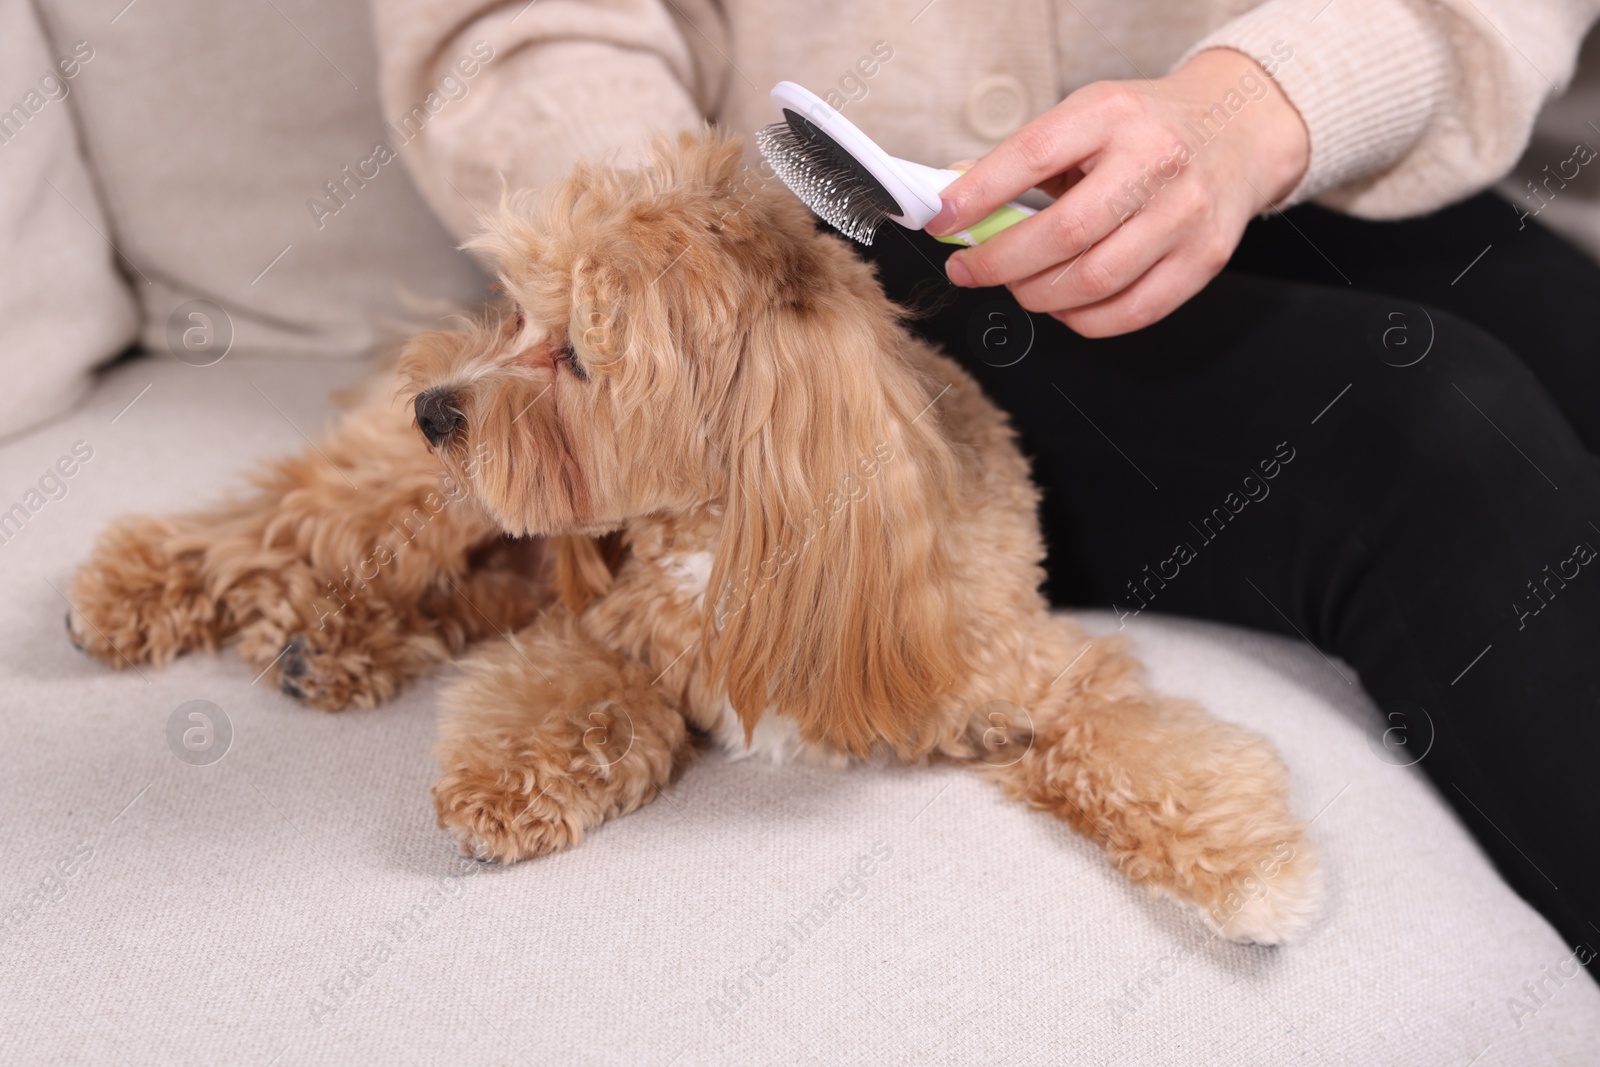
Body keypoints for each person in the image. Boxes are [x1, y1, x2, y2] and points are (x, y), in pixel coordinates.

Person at [372, 0, 1600, 961]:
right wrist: (660, 291)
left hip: (1325, 136)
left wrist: (1254, 105)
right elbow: (509, 28)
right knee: (1437, 427)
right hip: (854, 254)